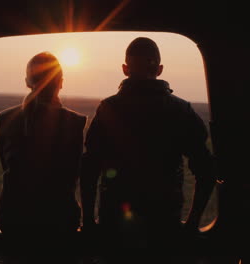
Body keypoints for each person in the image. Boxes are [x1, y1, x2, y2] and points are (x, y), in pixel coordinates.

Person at [80, 37, 216, 253]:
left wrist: (88, 221)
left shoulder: (107, 109)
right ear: (160, 69)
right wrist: (192, 224)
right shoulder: (182, 111)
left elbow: (89, 169)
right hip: (164, 225)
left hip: (115, 225)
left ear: (125, 69)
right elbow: (207, 171)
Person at [0, 52, 86, 259]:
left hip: (14, 219)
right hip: (59, 220)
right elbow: (73, 175)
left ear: (27, 82)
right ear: (61, 83)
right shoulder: (74, 122)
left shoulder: (4, 119)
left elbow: (7, 166)